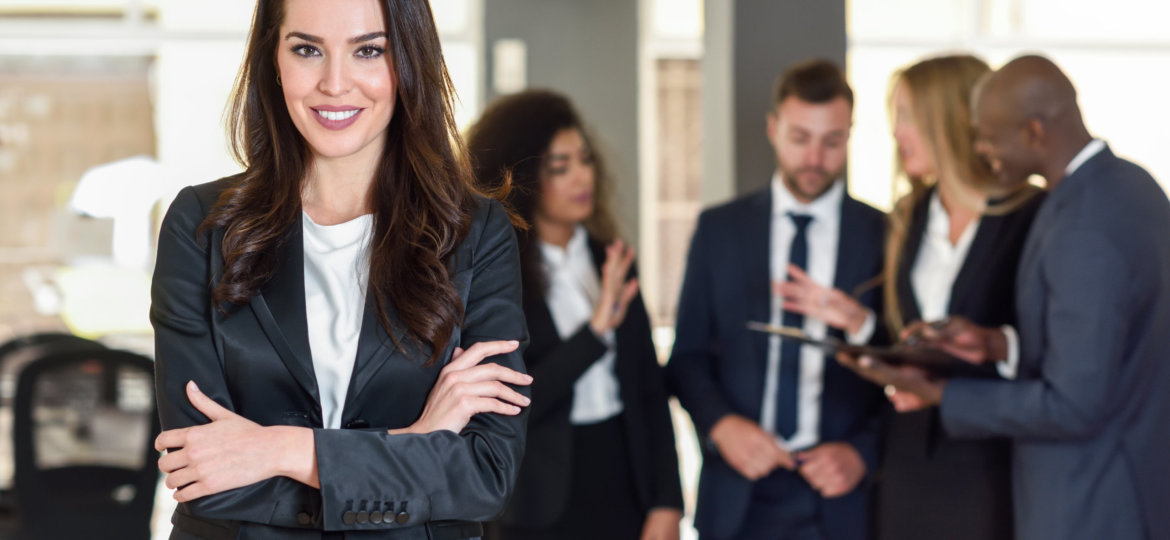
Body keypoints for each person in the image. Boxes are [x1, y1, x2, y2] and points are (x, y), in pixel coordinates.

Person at [149, 0, 532, 538]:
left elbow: (485, 474)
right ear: (273, 61)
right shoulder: (202, 226)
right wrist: (412, 441)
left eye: (368, 51)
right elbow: (205, 473)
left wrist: (279, 449)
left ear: (408, 62)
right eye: (307, 49)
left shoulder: (475, 234)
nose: (334, 83)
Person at [844, 55, 1170, 540]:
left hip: (1090, 501)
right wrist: (997, 345)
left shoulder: (1082, 222)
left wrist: (939, 393)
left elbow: (1074, 405)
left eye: (989, 135)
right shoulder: (1129, 186)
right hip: (1118, 486)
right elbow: (1100, 348)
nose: (980, 148)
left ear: (1034, 132)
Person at [666, 59, 887, 540]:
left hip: (842, 497)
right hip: (738, 492)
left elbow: (907, 369)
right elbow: (687, 357)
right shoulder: (719, 230)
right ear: (773, 128)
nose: (814, 158)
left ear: (850, 134)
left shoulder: (884, 234)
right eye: (800, 138)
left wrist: (861, 454)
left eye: (832, 142)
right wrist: (722, 427)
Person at [467, 90, 684, 540]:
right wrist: (596, 331)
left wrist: (668, 502)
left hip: (625, 481)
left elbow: (648, 388)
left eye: (584, 160)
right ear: (523, 177)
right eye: (559, 167)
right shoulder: (496, 275)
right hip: (536, 501)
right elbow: (508, 403)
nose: (582, 176)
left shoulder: (614, 260)